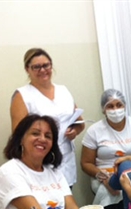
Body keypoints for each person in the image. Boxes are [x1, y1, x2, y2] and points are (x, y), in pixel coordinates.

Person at [10, 48, 84, 187]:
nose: (42, 70)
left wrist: (74, 131)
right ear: (27, 69)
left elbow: (80, 122)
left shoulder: (63, 91)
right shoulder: (23, 95)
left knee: (65, 201)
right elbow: (18, 135)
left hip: (65, 159)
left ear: (51, 65)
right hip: (39, 161)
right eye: (36, 67)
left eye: (46, 65)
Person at [81, 89, 131, 209]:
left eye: (119, 105)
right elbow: (86, 163)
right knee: (122, 175)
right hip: (104, 175)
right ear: (104, 110)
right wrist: (101, 176)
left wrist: (127, 165)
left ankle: (126, 206)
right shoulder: (94, 131)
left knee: (126, 165)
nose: (115, 110)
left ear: (124, 106)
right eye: (110, 106)